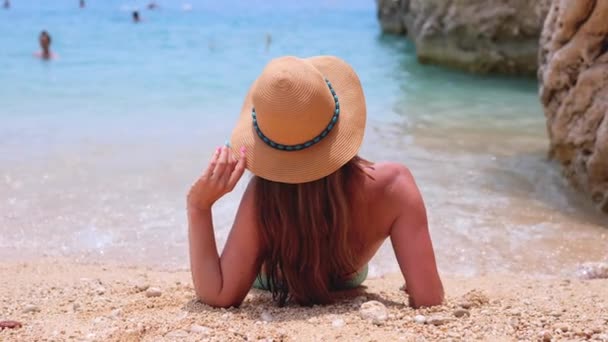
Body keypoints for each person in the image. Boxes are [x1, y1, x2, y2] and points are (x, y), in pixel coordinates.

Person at [187, 56, 444, 308]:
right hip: (347, 278)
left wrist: (198, 207)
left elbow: (218, 295)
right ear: (340, 114)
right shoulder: (393, 185)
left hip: (271, 279)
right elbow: (428, 298)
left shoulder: (264, 197)